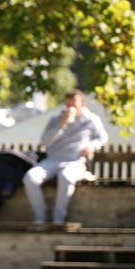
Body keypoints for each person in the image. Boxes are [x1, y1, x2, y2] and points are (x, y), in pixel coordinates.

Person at [22, 89, 108, 224]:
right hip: (51, 161)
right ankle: (40, 217)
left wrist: (92, 146)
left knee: (66, 177)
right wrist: (61, 125)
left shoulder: (91, 120)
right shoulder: (55, 120)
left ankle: (59, 218)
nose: (70, 107)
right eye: (68, 104)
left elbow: (102, 138)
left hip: (75, 162)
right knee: (30, 178)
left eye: (74, 104)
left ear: (82, 104)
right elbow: (45, 142)